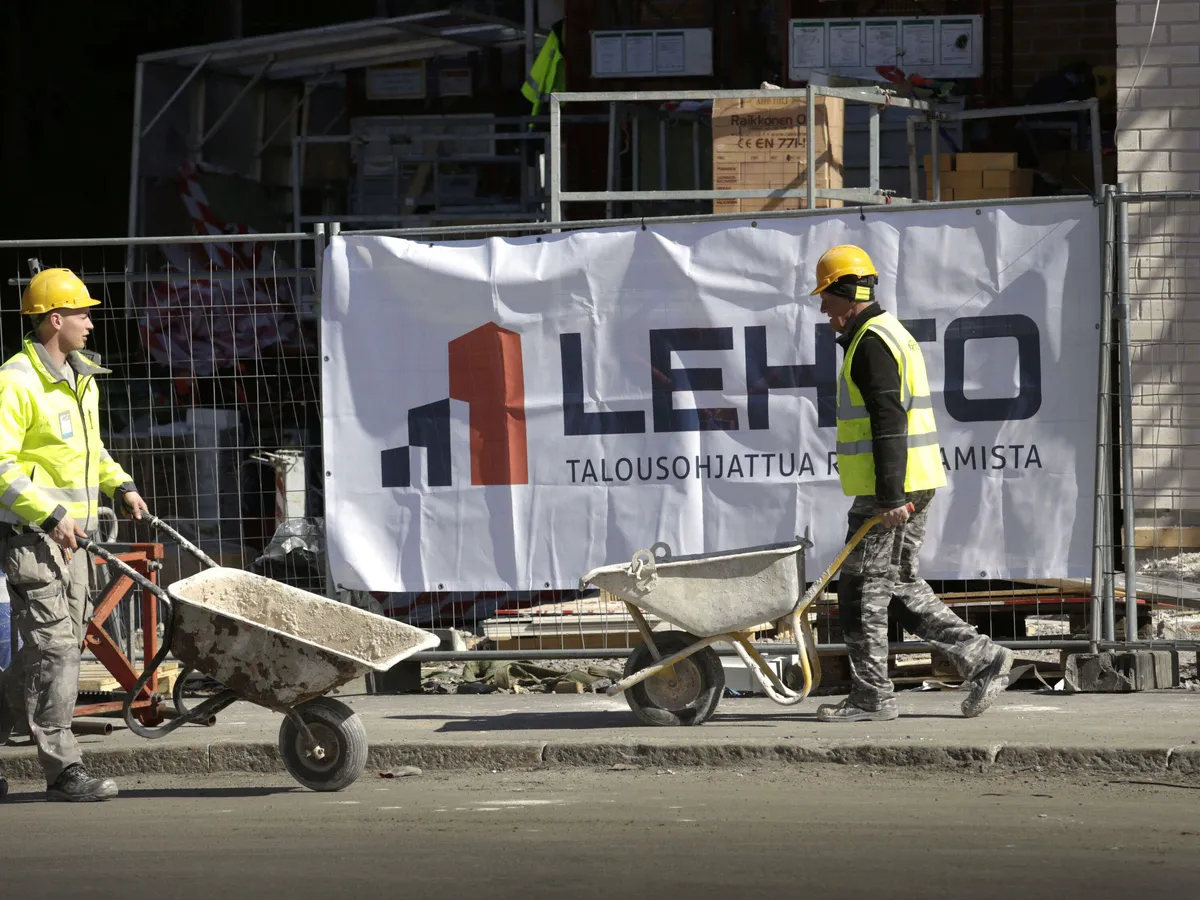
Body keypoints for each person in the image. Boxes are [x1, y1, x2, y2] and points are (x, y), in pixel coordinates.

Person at [808, 245, 1013, 723]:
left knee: (859, 590)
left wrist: (890, 497)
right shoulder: (887, 333)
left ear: (846, 292)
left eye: (825, 297)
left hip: (894, 491)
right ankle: (985, 658)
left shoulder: (872, 342)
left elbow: (888, 419)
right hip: (910, 484)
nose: (822, 308)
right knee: (896, 585)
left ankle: (871, 698)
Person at [0, 267, 149, 801]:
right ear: (54, 319)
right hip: (32, 539)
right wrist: (48, 515)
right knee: (57, 649)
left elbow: (89, 453)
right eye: (82, 313)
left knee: (46, 652)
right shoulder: (16, 380)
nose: (90, 321)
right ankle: (64, 769)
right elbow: (1, 466)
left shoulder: (81, 378)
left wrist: (122, 485)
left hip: (75, 543)